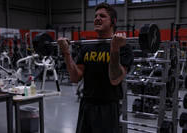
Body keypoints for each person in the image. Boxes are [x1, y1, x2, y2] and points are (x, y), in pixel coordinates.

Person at [57, 2, 133, 133]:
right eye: (96, 16)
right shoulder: (87, 47)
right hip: (86, 105)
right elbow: (75, 77)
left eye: (102, 16)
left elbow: (115, 79)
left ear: (113, 22)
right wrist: (66, 52)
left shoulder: (124, 47)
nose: (97, 18)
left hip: (108, 108)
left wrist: (115, 49)